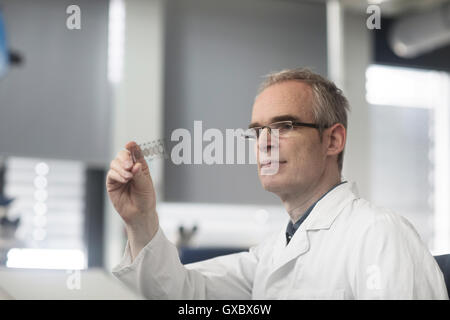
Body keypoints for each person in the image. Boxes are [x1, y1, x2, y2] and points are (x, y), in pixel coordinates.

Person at [107, 68, 448, 299]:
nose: (265, 142)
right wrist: (140, 220)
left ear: (332, 141)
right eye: (258, 131)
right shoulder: (271, 255)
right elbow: (180, 291)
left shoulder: (379, 234)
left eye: (284, 125)